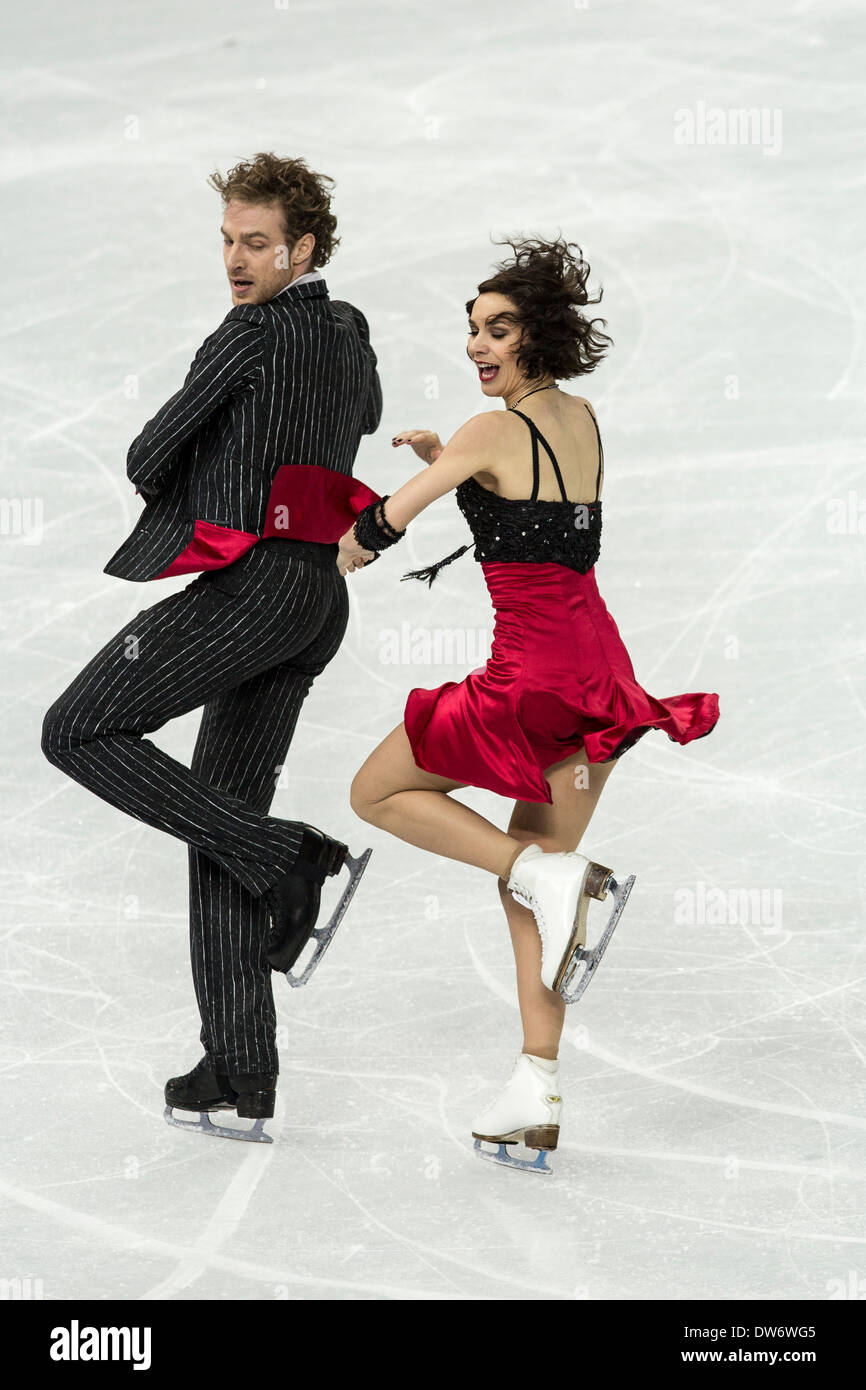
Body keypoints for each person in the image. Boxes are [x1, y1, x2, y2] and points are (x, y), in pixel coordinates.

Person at [337, 236, 720, 1172]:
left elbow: (391, 516)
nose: (478, 345)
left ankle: (535, 869)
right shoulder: (581, 418)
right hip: (598, 677)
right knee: (535, 893)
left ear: (536, 335)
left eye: (497, 330)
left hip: (531, 678)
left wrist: (347, 545)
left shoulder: (490, 434)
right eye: (471, 329)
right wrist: (456, 459)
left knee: (378, 792)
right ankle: (535, 1090)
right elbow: (530, 511)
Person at [41, 152, 383, 1143]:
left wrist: (221, 470)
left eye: (256, 242)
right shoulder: (346, 328)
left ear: (302, 246)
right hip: (317, 594)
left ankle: (290, 855)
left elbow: (150, 453)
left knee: (77, 727)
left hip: (257, 586)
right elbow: (355, 415)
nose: (236, 259)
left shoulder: (251, 332)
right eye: (228, 241)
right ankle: (240, 1069)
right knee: (218, 819)